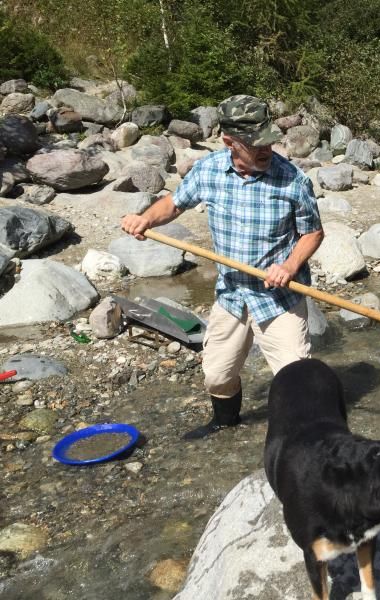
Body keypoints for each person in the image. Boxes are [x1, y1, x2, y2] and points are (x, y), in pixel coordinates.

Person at [121, 94, 324, 440]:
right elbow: (174, 203)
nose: (265, 150)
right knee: (217, 374)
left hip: (277, 298)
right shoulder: (209, 170)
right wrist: (145, 220)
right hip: (231, 294)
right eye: (254, 144)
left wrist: (289, 266)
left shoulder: (293, 180)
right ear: (229, 142)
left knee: (297, 380)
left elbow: (313, 233)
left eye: (267, 142)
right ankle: (226, 424)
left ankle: (309, 440)